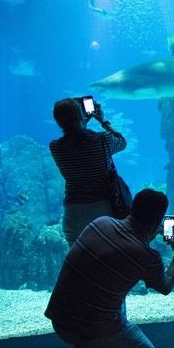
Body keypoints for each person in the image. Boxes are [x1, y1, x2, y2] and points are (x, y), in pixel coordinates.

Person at [44, 189, 174, 348]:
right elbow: (165, 287)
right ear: (158, 222)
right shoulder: (147, 256)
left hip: (59, 320)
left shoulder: (100, 222)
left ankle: (89, 347)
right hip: (87, 330)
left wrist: (147, 233)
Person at [50, 98, 126, 247]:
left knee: (80, 266)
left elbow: (74, 134)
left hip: (73, 215)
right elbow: (122, 141)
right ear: (81, 117)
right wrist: (102, 120)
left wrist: (82, 120)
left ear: (58, 121)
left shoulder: (56, 147)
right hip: (102, 213)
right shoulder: (102, 140)